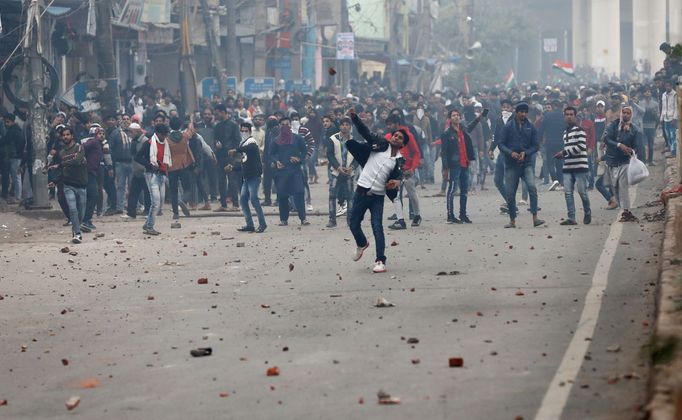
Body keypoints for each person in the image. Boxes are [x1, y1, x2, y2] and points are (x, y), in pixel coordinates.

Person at [347, 109, 405, 273]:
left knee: (377, 226)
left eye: (400, 138)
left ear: (402, 144)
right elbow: (366, 132)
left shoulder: (399, 160)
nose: (396, 138)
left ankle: (380, 260)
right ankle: (362, 243)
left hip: (377, 197)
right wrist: (355, 118)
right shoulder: (380, 144)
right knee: (353, 223)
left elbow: (400, 175)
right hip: (361, 191)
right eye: (395, 135)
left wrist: (396, 182)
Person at [498, 102, 544, 228]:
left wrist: (526, 152)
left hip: (526, 163)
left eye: (525, 112)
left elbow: (535, 145)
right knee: (510, 193)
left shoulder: (531, 127)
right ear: (516, 112)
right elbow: (501, 144)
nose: (523, 114)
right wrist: (510, 153)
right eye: (521, 112)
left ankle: (535, 218)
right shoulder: (508, 127)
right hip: (511, 164)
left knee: (532, 188)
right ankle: (512, 220)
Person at [603, 105, 644, 222]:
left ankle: (626, 212)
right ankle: (623, 209)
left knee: (623, 187)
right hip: (611, 161)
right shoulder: (613, 125)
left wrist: (631, 151)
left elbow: (637, 146)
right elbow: (607, 139)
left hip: (625, 162)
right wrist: (619, 145)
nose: (626, 115)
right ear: (621, 113)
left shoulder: (634, 129)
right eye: (624, 112)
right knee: (614, 188)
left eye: (628, 113)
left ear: (631, 115)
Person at [47, 126, 88, 244]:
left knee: (81, 212)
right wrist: (54, 181)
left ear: (72, 136)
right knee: (73, 209)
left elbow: (77, 161)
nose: (65, 137)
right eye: (63, 135)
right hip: (68, 185)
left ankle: (76, 226)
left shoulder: (79, 148)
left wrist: (60, 165)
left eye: (67, 134)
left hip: (81, 185)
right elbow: (62, 171)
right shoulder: (61, 152)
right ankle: (77, 233)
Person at [269, 116, 309, 226]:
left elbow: (305, 152)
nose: (285, 126)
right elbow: (271, 154)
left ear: (290, 125)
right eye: (282, 124)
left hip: (295, 170)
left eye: (287, 124)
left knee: (299, 193)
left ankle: (303, 218)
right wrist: (276, 161)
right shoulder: (276, 140)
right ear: (279, 126)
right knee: (282, 195)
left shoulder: (298, 139)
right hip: (282, 172)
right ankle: (283, 219)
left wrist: (299, 159)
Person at [554, 106, 591, 225]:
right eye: (567, 114)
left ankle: (587, 212)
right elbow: (569, 148)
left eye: (571, 114)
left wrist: (563, 153)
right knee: (568, 193)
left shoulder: (580, 130)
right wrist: (563, 154)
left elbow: (581, 147)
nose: (569, 116)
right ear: (564, 116)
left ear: (575, 116)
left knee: (582, 192)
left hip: (580, 166)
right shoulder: (565, 133)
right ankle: (571, 217)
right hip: (568, 167)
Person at [228, 122, 267, 233]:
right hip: (247, 177)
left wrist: (236, 150)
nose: (244, 132)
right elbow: (243, 163)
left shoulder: (251, 142)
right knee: (243, 200)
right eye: (242, 131)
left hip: (254, 176)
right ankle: (249, 224)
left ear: (250, 132)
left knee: (254, 199)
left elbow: (250, 148)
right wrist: (233, 168)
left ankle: (262, 224)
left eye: (246, 131)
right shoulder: (242, 144)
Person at [135, 124, 172, 235]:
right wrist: (149, 165)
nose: (164, 137)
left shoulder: (165, 144)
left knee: (160, 202)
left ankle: (147, 224)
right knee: (155, 202)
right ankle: (150, 226)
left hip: (161, 174)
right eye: (163, 135)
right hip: (152, 174)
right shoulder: (149, 144)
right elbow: (137, 157)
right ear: (158, 133)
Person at [441, 108, 476, 224]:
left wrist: (480, 117)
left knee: (464, 190)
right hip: (454, 165)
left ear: (460, 117)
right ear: (450, 118)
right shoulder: (446, 133)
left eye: (457, 115)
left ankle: (463, 214)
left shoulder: (463, 130)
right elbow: (444, 152)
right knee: (452, 190)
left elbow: (472, 126)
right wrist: (445, 168)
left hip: (465, 163)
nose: (456, 117)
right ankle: (450, 215)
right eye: (453, 115)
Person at [326, 117, 356, 228]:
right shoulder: (333, 139)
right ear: (339, 126)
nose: (344, 126)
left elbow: (358, 156)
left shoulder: (354, 140)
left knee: (350, 196)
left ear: (350, 126)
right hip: (336, 172)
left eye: (347, 124)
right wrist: (338, 167)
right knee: (332, 195)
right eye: (342, 124)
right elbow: (329, 154)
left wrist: (352, 167)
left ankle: (350, 219)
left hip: (349, 172)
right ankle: (332, 219)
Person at [213, 104, 241, 212]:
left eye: (217, 113)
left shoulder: (233, 125)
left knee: (232, 180)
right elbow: (215, 139)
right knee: (221, 181)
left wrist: (234, 150)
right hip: (220, 156)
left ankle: (236, 204)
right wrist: (216, 144)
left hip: (230, 157)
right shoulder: (217, 126)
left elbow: (237, 140)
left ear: (223, 112)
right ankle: (223, 205)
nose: (216, 115)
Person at [2, 113, 25, 204]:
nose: (5, 124)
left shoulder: (13, 131)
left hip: (16, 157)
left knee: (16, 177)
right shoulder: (15, 129)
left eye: (7, 122)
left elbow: (5, 140)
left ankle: (18, 197)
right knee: (15, 177)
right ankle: (17, 196)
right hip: (16, 156)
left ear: (12, 122)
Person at [660, 80, 678, 157]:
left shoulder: (675, 94)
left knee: (672, 135)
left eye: (669, 86)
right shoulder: (663, 94)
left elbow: (676, 107)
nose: (668, 87)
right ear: (665, 86)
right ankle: (671, 149)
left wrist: (674, 118)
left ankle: (673, 152)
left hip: (672, 118)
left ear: (672, 86)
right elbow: (663, 107)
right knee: (667, 135)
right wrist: (661, 118)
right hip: (665, 118)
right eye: (666, 86)